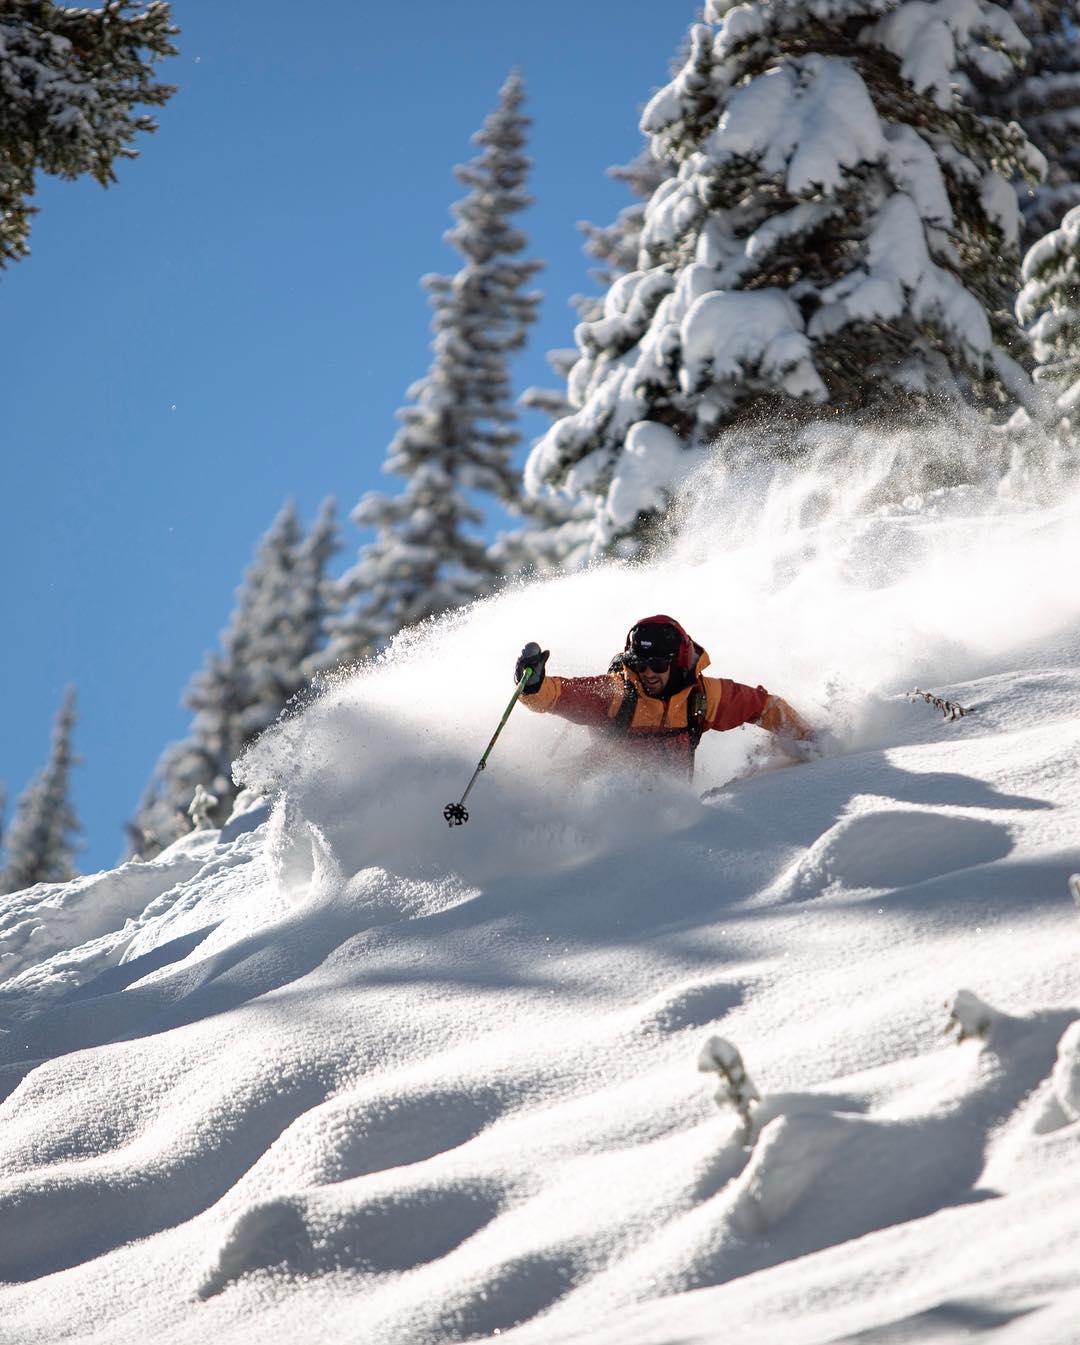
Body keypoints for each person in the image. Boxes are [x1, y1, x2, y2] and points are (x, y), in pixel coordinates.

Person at [513, 614, 813, 779]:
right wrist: (533, 685)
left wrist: (811, 741)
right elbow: (558, 695)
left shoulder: (702, 697)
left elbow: (764, 707)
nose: (648, 673)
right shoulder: (617, 694)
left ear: (678, 661)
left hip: (669, 820)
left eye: (658, 664)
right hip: (600, 803)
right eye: (641, 664)